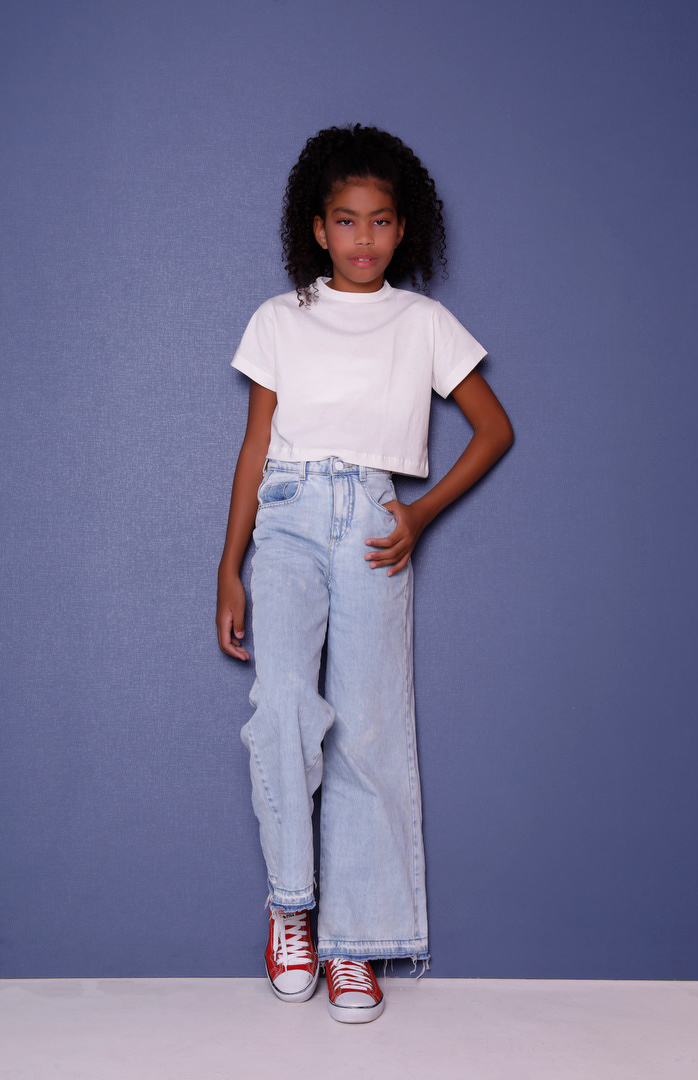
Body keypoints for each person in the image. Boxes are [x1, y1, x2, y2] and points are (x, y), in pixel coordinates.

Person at [216, 124, 513, 1023]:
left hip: (376, 524)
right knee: (281, 709)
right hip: (288, 516)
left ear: (403, 227)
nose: (363, 238)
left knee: (369, 730)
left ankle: (355, 943)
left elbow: (494, 428)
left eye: (381, 221)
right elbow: (255, 446)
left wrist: (418, 514)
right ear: (317, 228)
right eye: (345, 221)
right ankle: (292, 909)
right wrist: (229, 567)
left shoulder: (422, 323)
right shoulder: (280, 318)